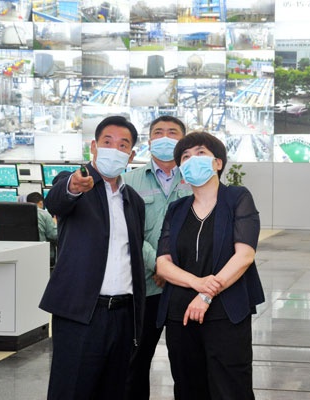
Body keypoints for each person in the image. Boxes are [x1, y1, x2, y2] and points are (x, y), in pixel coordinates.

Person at [39, 115, 146, 400]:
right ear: (94, 147)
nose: (115, 149)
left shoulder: (133, 201)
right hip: (81, 314)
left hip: (123, 315)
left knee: (114, 391)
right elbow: (56, 200)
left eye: (123, 145)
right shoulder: (76, 183)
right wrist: (73, 186)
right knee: (71, 390)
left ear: (131, 155)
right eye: (107, 142)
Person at [155, 131, 265, 400]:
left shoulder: (237, 198)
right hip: (180, 313)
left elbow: (244, 255)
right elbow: (163, 264)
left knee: (230, 387)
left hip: (225, 311)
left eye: (200, 153)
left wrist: (206, 294)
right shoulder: (177, 209)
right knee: (188, 387)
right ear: (181, 170)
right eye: (185, 156)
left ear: (217, 163)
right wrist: (198, 283)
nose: (192, 159)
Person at [123, 116, 192, 400]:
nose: (165, 137)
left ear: (183, 140)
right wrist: (159, 265)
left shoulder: (196, 180)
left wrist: (174, 271)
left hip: (186, 290)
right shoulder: (129, 181)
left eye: (172, 133)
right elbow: (128, 232)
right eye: (158, 132)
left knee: (188, 367)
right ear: (149, 141)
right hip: (145, 289)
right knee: (135, 364)